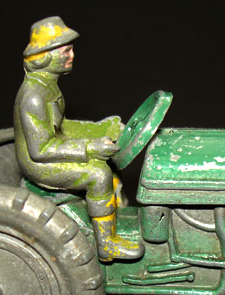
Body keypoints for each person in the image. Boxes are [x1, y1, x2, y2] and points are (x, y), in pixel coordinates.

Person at [14, 17, 144, 261]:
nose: (71, 56)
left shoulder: (47, 86)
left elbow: (62, 127)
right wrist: (90, 148)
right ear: (45, 57)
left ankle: (113, 212)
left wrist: (100, 128)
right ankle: (107, 245)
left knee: (109, 165)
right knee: (99, 175)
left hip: (45, 152)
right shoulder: (34, 96)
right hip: (37, 163)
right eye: (66, 51)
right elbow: (40, 149)